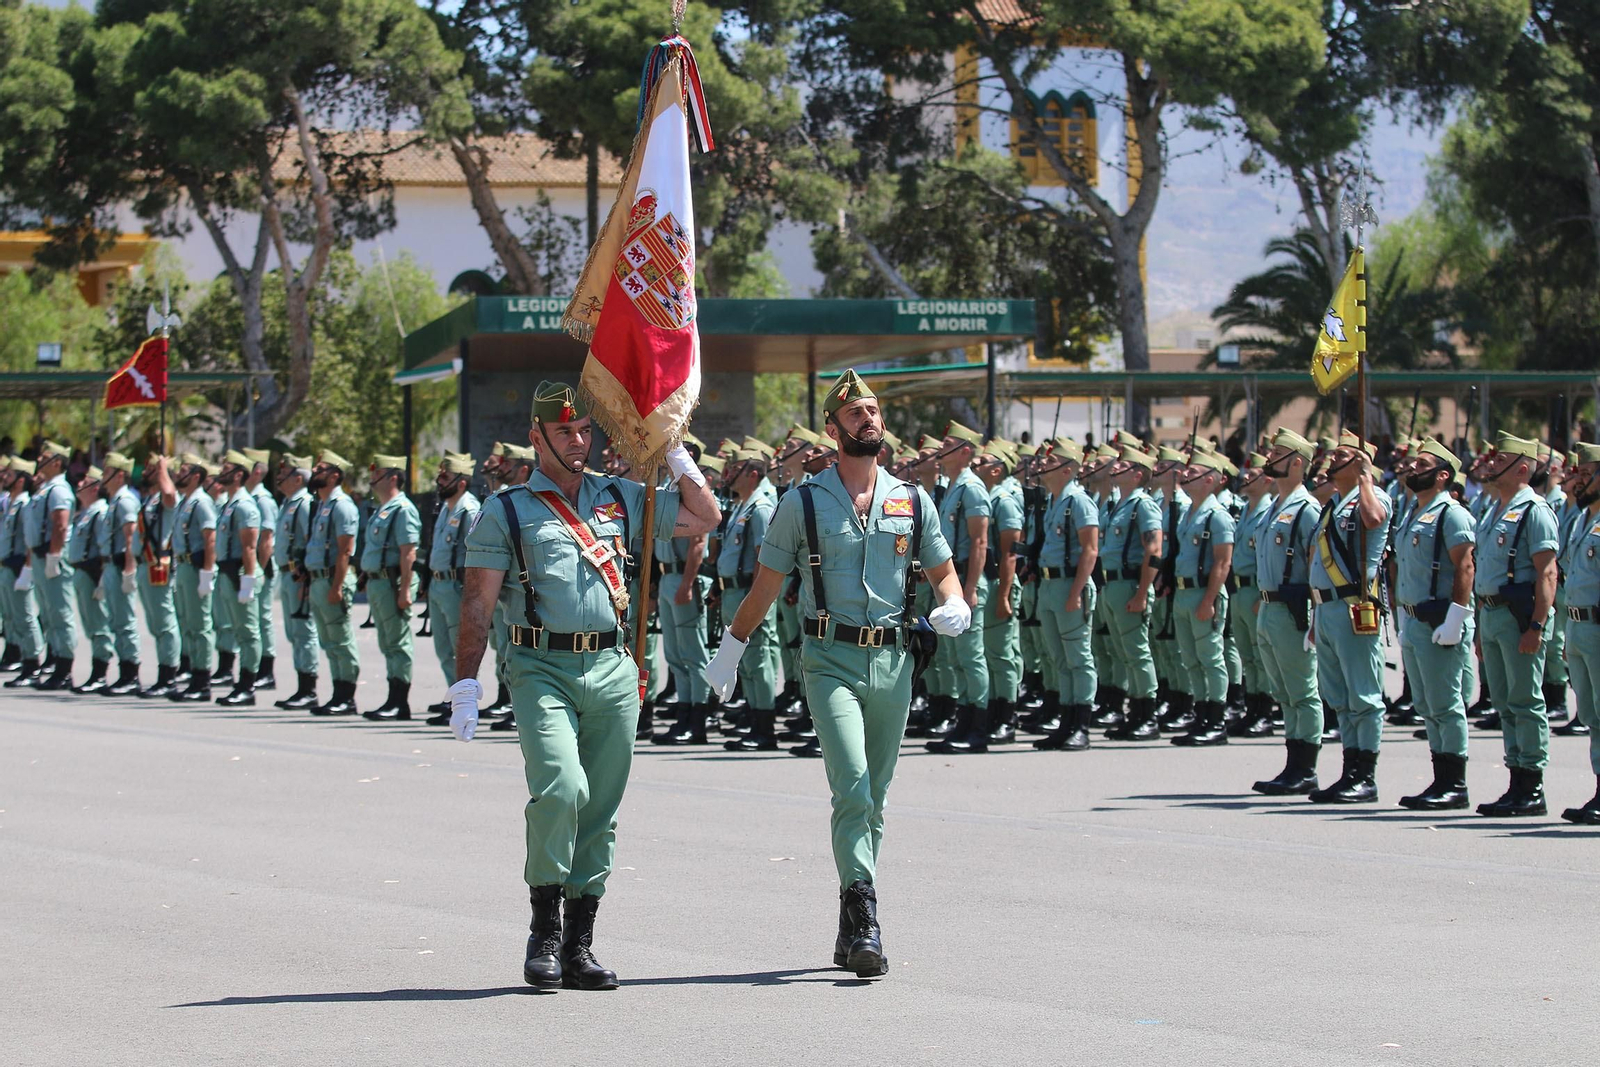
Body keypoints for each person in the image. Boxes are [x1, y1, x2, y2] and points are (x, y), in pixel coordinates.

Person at [447, 380, 721, 991]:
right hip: (540, 666)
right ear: (536, 436)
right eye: (565, 432)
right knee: (561, 788)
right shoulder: (508, 509)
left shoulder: (622, 497)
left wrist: (675, 452)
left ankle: (578, 945)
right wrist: (465, 683)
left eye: (585, 431)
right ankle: (542, 930)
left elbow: (705, 515)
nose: (579, 441)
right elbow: (477, 604)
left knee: (600, 807)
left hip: (612, 667)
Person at [704, 369, 968, 979]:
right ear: (832, 430)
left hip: (895, 660)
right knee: (851, 787)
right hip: (829, 660)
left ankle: (849, 926)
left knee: (874, 799)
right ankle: (867, 913)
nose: (868, 420)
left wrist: (954, 604)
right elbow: (767, 585)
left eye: (873, 411)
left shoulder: (911, 500)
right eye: (855, 414)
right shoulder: (801, 502)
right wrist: (732, 648)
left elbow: (944, 572)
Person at [1472, 432, 1560, 817]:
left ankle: (1532, 785)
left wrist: (1537, 626)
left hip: (1517, 617)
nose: (1491, 464)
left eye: (1500, 459)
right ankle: (1515, 777)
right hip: (1492, 616)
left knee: (1525, 700)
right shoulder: (1496, 509)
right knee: (1505, 703)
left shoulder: (1533, 510)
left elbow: (1547, 573)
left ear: (1522, 468)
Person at [1304, 431, 1391, 803]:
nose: (1329, 460)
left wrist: (1366, 480)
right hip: (1326, 608)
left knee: (1363, 695)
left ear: (1358, 464)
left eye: (1341, 455)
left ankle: (1365, 775)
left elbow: (1375, 520)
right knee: (1339, 695)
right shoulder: (1333, 504)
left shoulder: (1368, 498)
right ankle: (1348, 769)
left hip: (1356, 605)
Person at [1393, 438, 1476, 810]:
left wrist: (1457, 615)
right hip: (1414, 620)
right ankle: (1439, 777)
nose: (1412, 468)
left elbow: (1465, 565)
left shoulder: (1450, 513)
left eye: (1422, 464)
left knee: (1445, 704)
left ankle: (1454, 783)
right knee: (1427, 705)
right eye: (1413, 463)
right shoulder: (1414, 510)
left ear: (1442, 476)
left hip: (1439, 619)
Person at [1251, 428, 1324, 795]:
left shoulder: (1306, 509)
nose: (1269, 458)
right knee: (1283, 690)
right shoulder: (1272, 507)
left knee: (1302, 690)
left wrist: (1314, 618)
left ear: (1297, 463)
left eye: (1277, 453)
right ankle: (1292, 762)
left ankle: (1305, 767)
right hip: (1269, 607)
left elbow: (1316, 564)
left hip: (1293, 608)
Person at [925, 421, 992, 753]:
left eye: (948, 443)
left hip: (965, 580)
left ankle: (978, 726)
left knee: (971, 656)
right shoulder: (951, 487)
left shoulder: (972, 488)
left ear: (965, 452)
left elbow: (980, 542)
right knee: (954, 656)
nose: (941, 448)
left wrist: (971, 589)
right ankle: (962, 720)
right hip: (950, 582)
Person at [1030, 438, 1100, 750]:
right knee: (1059, 658)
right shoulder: (1055, 500)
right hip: (1049, 585)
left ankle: (1081, 724)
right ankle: (1066, 720)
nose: (1044, 466)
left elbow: (1090, 549)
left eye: (1052, 461)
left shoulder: (1079, 501)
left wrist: (1076, 590)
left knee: (1078, 657)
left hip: (1071, 585)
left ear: (1069, 469)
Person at [1169, 451, 1236, 746]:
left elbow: (1223, 562)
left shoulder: (1217, 515)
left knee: (1210, 657)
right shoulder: (1188, 512)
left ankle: (1217, 719)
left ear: (1209, 480)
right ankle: (1201, 715)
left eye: (1192, 472)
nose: (1185, 476)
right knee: (1190, 659)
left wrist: (1209, 599)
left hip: (1203, 592)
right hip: (1184, 592)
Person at [715, 448, 780, 750]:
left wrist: (757, 600)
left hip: (747, 594)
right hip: (733, 591)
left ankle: (765, 728)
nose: (730, 474)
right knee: (746, 662)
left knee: (758, 658)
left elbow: (762, 560)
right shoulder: (743, 506)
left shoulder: (761, 507)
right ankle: (754, 721)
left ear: (753, 474)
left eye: (737, 469)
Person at [1101, 446, 1164, 741]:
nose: (1116, 468)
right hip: (1111, 585)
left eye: (1123, 465)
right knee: (1125, 654)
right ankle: (1134, 712)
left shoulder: (1143, 505)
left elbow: (1154, 550)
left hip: (1129, 585)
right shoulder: (1119, 504)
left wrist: (1142, 592)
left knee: (1138, 652)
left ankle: (1146, 715)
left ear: (1138, 474)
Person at [360, 454, 422, 722]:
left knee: (398, 642)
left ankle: (400, 702)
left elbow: (408, 552)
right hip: (378, 582)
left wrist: (405, 590)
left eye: (378, 474)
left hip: (392, 582)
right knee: (388, 643)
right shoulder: (383, 508)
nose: (372, 479)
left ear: (393, 478)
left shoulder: (403, 509)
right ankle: (392, 697)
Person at [1558, 443, 1600, 824]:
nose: (1578, 481)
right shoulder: (1582, 519)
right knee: (1591, 713)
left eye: (1587, 474)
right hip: (1578, 626)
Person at [423, 452, 479, 725]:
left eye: (445, 475)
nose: (439, 479)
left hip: (456, 587)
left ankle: (462, 703)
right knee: (444, 647)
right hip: (438, 584)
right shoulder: (446, 507)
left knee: (460, 648)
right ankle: (452, 698)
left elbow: (474, 556)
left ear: (461, 482)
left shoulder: (468, 509)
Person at [305, 451, 361, 716]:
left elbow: (344, 551)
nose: (315, 470)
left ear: (335, 475)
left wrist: (337, 586)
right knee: (328, 641)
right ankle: (337, 691)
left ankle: (346, 696)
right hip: (319, 579)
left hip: (332, 579)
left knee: (340, 639)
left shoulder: (342, 505)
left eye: (322, 467)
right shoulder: (323, 504)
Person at [1228, 455, 1276, 737]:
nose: (1245, 478)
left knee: (1261, 656)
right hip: (1239, 590)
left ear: (1267, 481)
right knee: (1247, 654)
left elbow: (1267, 557)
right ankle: (1252, 709)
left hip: (1256, 591)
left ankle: (1265, 713)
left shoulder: (1268, 511)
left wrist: (1263, 593)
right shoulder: (1246, 510)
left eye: (1253, 475)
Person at [25, 440, 78, 691]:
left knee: (60, 612)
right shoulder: (46, 488)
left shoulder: (59, 490)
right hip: (40, 555)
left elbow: (60, 524)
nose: (39, 461)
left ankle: (65, 668)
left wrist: (55, 557)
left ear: (57, 462)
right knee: (49, 613)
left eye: (44, 458)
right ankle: (56, 661)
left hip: (51, 554)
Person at [213, 451, 264, 705]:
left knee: (248, 631)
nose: (222, 471)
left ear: (239, 474)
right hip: (227, 571)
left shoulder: (244, 505)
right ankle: (240, 682)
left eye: (227, 468)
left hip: (241, 572)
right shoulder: (229, 503)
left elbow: (249, 546)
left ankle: (247, 685)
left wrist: (249, 579)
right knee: (237, 629)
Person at [92, 452, 144, 695]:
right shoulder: (115, 500)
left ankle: (130, 673)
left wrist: (129, 571)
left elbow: (130, 536)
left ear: (119, 474)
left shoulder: (124, 500)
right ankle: (124, 672)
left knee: (124, 621)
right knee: (115, 620)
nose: (103, 476)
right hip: (111, 565)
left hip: (122, 565)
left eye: (107, 471)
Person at [272, 455, 321, 709]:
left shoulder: (303, 504)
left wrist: (305, 575)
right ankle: (301, 684)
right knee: (294, 632)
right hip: (286, 573)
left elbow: (308, 539)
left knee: (303, 631)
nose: (280, 477)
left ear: (299, 478)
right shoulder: (288, 503)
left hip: (297, 575)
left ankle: (308, 688)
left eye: (287, 473)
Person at [168, 455, 218, 702]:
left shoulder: (201, 502)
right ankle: (194, 676)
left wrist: (207, 573)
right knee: (189, 623)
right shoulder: (185, 502)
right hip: (184, 566)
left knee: (200, 626)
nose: (179, 474)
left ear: (196, 476)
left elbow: (210, 539)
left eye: (184, 470)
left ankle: (202, 681)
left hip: (197, 568)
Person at [65, 466, 113, 694]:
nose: (80, 484)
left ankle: (100, 672)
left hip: (93, 573)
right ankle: (97, 669)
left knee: (98, 624)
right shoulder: (85, 512)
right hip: (81, 571)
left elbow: (104, 547)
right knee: (90, 624)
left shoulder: (99, 512)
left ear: (95, 488)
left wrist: (103, 578)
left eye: (85, 481)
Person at [0, 459, 45, 685]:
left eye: (9, 474)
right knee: (13, 617)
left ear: (20, 479)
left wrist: (28, 569)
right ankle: (22, 658)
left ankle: (33, 664)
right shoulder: (11, 503)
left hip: (19, 567)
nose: (4, 477)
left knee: (25, 617)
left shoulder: (25, 504)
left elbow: (29, 540)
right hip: (7, 566)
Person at [243, 448, 279, 692]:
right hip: (253, 567)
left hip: (261, 568)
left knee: (263, 619)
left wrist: (258, 571)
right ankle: (255, 668)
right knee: (253, 620)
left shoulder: (262, 499)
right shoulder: (247, 497)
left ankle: (266, 671)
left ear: (257, 471)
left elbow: (266, 540)